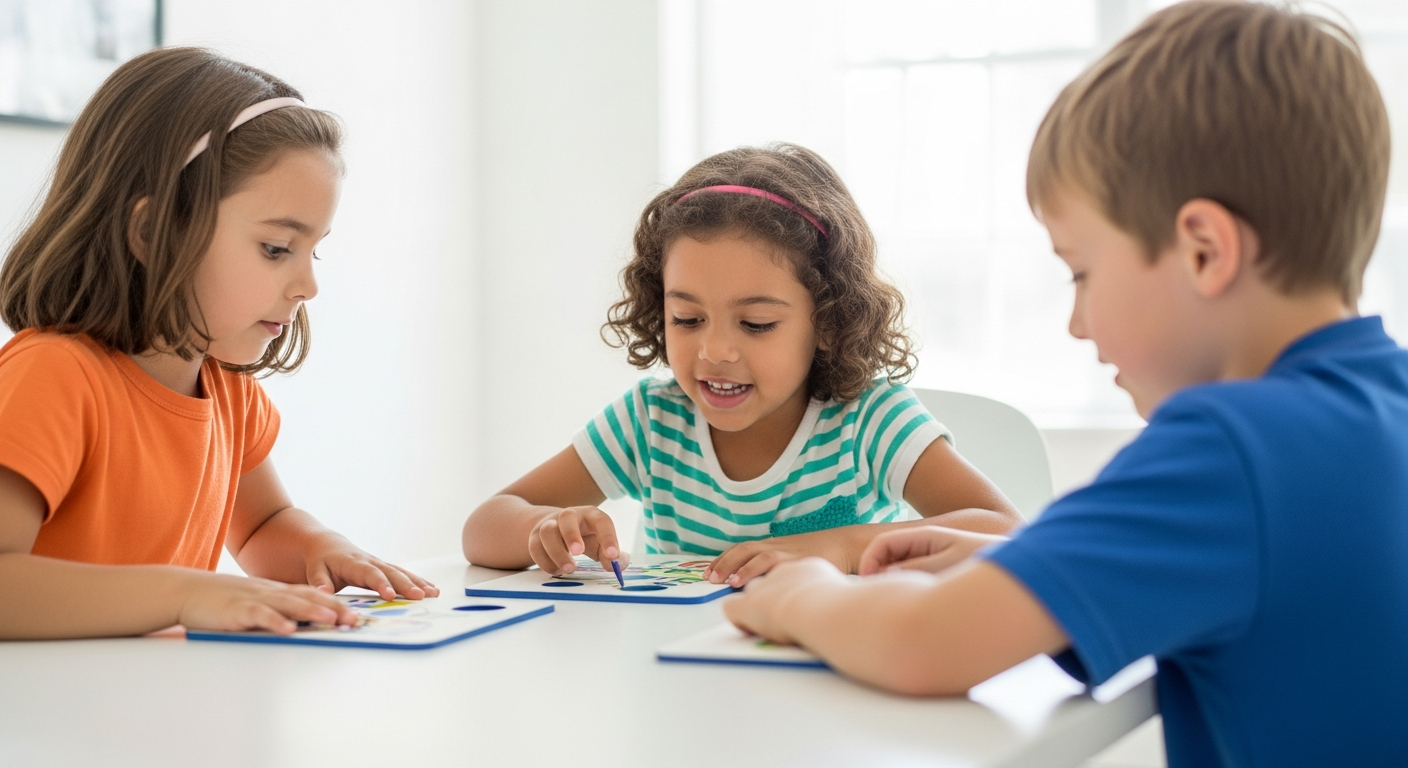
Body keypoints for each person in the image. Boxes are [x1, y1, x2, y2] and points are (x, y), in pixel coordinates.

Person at [723, 3, 1406, 766]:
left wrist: (808, 593)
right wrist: (1022, 553)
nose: (1077, 323)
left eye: (1081, 271)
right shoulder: (1382, 410)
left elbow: (924, 645)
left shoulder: (1234, 446)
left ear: (1205, 251)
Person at [0, 47, 439, 640]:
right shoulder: (52, 375)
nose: (308, 284)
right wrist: (183, 593)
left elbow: (262, 526)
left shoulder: (230, 394)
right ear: (153, 232)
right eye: (277, 249)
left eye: (316, 251)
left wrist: (323, 549)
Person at [463, 144, 1021, 586]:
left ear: (827, 320)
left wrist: (844, 545)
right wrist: (542, 527)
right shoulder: (652, 421)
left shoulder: (868, 421)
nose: (715, 352)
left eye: (755, 325)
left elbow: (1004, 531)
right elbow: (484, 527)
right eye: (686, 318)